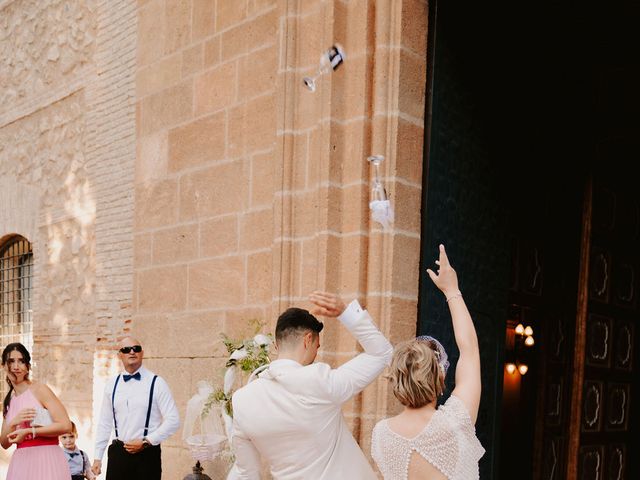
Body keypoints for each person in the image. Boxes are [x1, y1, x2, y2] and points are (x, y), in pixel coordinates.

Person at [231, 290, 393, 480]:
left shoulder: (241, 400)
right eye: (317, 346)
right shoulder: (319, 381)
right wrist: (345, 312)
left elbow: (247, 474)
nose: (316, 352)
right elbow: (382, 353)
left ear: (276, 345)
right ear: (308, 340)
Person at [371, 244, 485, 480]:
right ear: (440, 377)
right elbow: (470, 351)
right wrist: (451, 289)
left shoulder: (380, 434)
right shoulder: (456, 423)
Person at [91, 337, 180, 479]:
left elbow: (173, 420)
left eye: (136, 349)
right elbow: (105, 422)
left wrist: (146, 441)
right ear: (120, 355)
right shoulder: (112, 384)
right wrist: (97, 457)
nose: (132, 352)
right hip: (118, 454)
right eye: (126, 350)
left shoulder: (156, 383)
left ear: (142, 353)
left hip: (147, 454)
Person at [1, 342, 72, 480]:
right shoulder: (9, 401)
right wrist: (14, 423)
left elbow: (65, 425)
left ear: (28, 367)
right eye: (11, 361)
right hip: (21, 464)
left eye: (21, 361)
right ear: (3, 366)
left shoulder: (40, 390)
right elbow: (4, 443)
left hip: (47, 459)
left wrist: (30, 431)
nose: (16, 366)